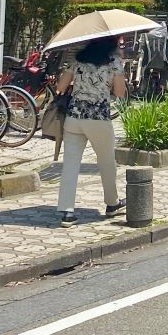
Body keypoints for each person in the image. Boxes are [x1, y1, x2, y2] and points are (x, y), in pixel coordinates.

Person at [55, 36, 128, 228]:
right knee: (106, 162)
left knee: (70, 164)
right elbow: (120, 93)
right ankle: (112, 203)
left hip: (74, 118)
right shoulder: (113, 62)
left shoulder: (78, 59)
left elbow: (61, 87)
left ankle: (67, 212)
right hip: (98, 119)